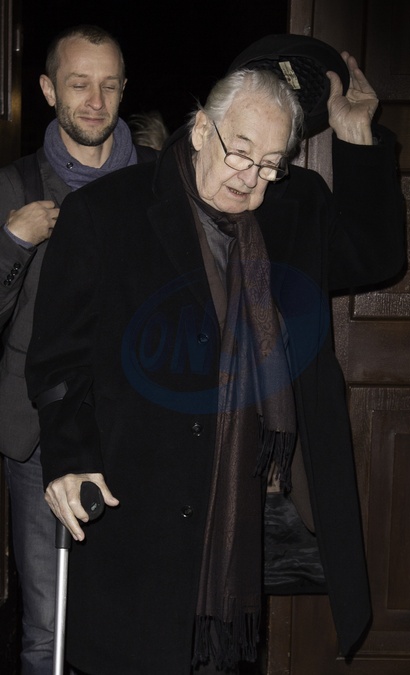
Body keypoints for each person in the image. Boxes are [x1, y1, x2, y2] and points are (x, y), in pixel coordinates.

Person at [25, 34, 405, 675]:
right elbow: (59, 362)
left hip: (235, 500)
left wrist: (355, 133)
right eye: (241, 152)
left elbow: (375, 258)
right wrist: (69, 459)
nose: (251, 177)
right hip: (134, 492)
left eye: (271, 164)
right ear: (202, 129)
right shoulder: (105, 213)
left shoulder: (289, 211)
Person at [0, 24, 156, 674]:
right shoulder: (14, 185)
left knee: (135, 622)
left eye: (109, 86)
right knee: (48, 630)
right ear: (47, 89)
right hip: (42, 434)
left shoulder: (158, 182)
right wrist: (12, 242)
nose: (95, 101)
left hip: (138, 430)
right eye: (79, 84)